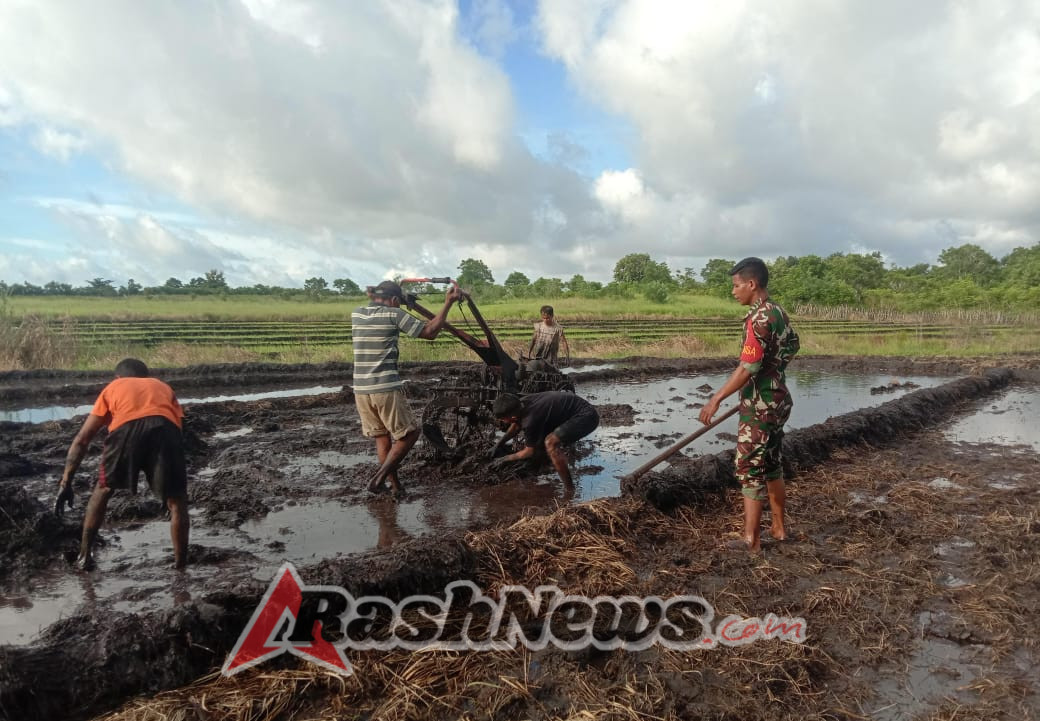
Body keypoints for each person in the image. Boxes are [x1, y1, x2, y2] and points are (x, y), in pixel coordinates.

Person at [699, 257, 799, 553]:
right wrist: (774, 373)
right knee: (771, 465)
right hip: (778, 398)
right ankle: (778, 529)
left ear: (752, 284)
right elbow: (793, 345)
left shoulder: (758, 318)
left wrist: (716, 398)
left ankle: (751, 540)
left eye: (736, 285)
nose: (734, 292)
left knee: (748, 467)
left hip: (761, 405)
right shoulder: (778, 312)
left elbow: (748, 367)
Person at [54, 358, 189, 570]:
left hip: (127, 430)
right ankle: (181, 565)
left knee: (104, 488)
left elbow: (82, 439)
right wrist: (167, 486)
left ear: (118, 377)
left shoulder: (114, 387)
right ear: (146, 377)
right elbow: (177, 430)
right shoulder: (163, 386)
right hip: (166, 430)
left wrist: (66, 482)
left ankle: (85, 556)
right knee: (177, 500)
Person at [352, 280, 460, 497]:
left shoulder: (357, 313)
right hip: (385, 387)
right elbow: (430, 332)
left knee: (383, 437)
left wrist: (403, 297)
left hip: (361, 388)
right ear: (393, 301)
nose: (399, 306)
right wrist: (447, 303)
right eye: (398, 303)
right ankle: (378, 479)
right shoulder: (393, 314)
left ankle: (396, 487)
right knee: (410, 434)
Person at [489, 391, 599, 487]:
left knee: (550, 443)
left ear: (512, 417)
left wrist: (505, 459)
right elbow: (516, 425)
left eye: (503, 420)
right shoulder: (521, 403)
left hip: (587, 417)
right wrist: (498, 444)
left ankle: (569, 489)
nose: (502, 422)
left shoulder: (530, 419)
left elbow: (529, 451)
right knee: (543, 443)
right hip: (574, 409)